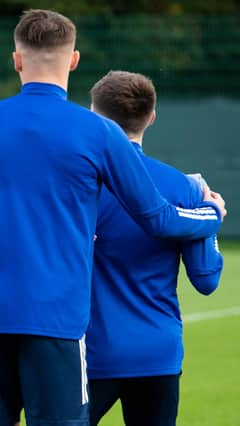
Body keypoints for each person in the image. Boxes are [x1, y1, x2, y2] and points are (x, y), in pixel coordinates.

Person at [0, 9, 226, 426]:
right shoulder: (97, 132)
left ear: (16, 59)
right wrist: (211, 215)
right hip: (54, 314)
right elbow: (159, 220)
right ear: (74, 60)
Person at [86, 71, 224, 426]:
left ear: (93, 116)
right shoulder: (184, 188)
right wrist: (209, 216)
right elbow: (206, 280)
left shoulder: (79, 186)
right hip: (156, 352)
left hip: (88, 353)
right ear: (151, 117)